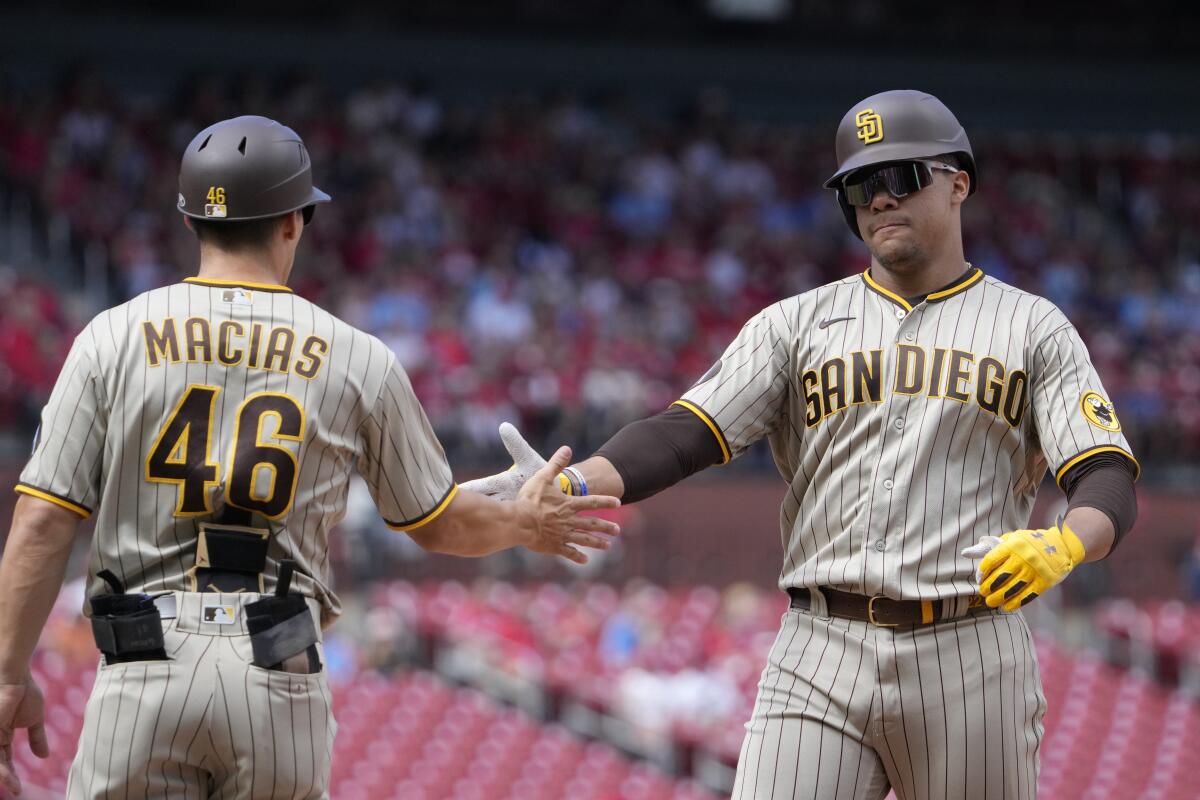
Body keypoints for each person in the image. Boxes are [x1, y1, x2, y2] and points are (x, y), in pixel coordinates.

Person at [462, 90, 1139, 799]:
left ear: (958, 182)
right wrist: (571, 482)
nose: (878, 200)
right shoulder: (796, 324)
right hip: (821, 646)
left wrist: (1064, 543)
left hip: (971, 645)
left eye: (899, 177)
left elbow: (1105, 475)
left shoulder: (1034, 328)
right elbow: (686, 432)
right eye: (858, 188)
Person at [0, 115, 619, 799]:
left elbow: (43, 522)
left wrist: (7, 674)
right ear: (293, 222)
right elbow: (438, 524)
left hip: (142, 664)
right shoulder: (359, 357)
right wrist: (523, 522)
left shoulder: (109, 338)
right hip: (276, 670)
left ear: (190, 222)